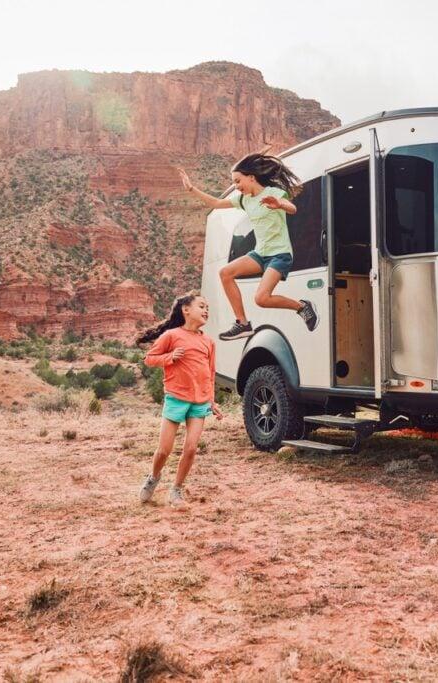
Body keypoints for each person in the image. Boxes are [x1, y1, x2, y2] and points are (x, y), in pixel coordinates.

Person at [176, 153, 318, 341]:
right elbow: (216, 203)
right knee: (225, 273)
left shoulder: (273, 193)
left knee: (262, 299)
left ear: (251, 177)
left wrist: (279, 205)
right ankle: (242, 323)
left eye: (238, 181)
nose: (236, 186)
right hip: (260, 253)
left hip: (279, 254)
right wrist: (192, 189)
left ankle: (301, 307)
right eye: (234, 183)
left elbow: (292, 208)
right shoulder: (244, 200)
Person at [136, 292, 223, 506]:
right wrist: (169, 358)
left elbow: (210, 373)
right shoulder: (171, 336)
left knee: (191, 448)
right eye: (201, 306)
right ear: (186, 310)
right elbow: (149, 359)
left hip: (200, 402)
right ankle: (153, 478)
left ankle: (176, 490)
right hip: (176, 398)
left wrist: (212, 401)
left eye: (207, 308)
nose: (206, 311)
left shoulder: (208, 342)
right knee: (164, 450)